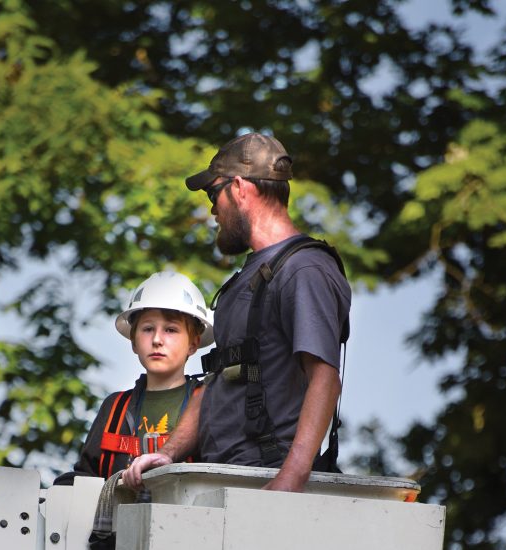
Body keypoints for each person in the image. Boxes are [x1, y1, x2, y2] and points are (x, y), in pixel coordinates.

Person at [122, 131, 351, 493]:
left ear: (241, 188)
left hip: (264, 479)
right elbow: (217, 380)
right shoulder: (249, 278)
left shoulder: (303, 270)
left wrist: (289, 480)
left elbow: (324, 377)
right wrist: (168, 453)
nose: (212, 209)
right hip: (223, 476)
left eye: (214, 193)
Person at [74, 270, 214, 478]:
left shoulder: (209, 402)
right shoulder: (114, 409)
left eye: (171, 330)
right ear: (133, 342)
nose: (157, 339)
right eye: (148, 329)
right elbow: (84, 479)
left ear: (193, 344)